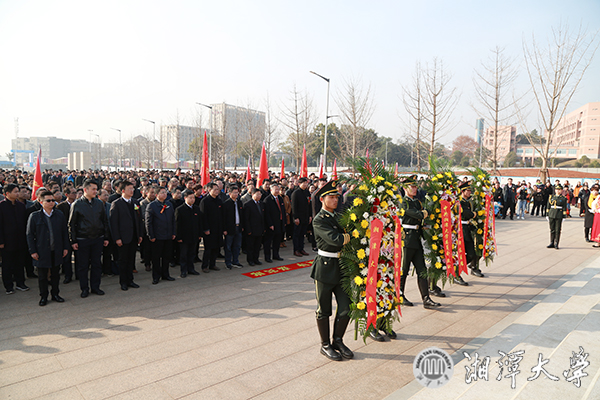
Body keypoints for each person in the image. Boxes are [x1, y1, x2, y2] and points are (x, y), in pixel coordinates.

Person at [310, 180, 353, 361]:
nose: (336, 200)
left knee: (346, 307)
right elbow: (335, 239)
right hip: (325, 268)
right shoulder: (319, 220)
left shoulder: (338, 216)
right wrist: (352, 235)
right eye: (331, 197)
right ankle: (325, 344)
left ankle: (338, 340)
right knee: (324, 309)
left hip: (341, 267)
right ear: (322, 199)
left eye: (337, 197)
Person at [399, 175, 441, 312]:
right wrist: (423, 213)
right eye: (412, 186)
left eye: (416, 186)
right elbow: (418, 215)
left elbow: (425, 212)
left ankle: (426, 298)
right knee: (403, 270)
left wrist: (423, 213)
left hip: (416, 238)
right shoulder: (403, 202)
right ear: (405, 188)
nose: (415, 188)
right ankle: (399, 294)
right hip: (406, 239)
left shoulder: (417, 201)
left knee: (422, 270)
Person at [26, 190, 70, 306]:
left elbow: (64, 232)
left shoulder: (59, 214)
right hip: (41, 251)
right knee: (42, 277)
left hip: (56, 249)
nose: (52, 203)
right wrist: (33, 251)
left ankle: (55, 294)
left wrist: (66, 247)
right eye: (48, 200)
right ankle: (43, 296)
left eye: (53, 200)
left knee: (56, 274)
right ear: (41, 202)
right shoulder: (35, 216)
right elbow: (29, 235)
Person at [68, 180, 109, 298]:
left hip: (97, 238)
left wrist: (105, 237)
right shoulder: (77, 204)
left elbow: (104, 221)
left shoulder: (99, 203)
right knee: (83, 266)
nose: (96, 191)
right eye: (93, 189)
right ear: (85, 190)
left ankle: (95, 287)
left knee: (96, 264)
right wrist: (73, 241)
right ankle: (84, 288)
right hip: (82, 239)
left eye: (96, 189)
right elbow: (71, 224)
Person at [110, 181, 143, 291]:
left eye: (133, 188)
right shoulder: (117, 204)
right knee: (123, 260)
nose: (132, 191)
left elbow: (139, 220)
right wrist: (117, 238)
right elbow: (113, 223)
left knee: (131, 260)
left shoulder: (135, 202)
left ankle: (130, 280)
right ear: (123, 190)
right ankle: (123, 282)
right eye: (129, 189)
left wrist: (140, 235)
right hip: (123, 237)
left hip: (133, 236)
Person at [0, 183, 30, 294]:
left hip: (20, 240)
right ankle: (8, 286)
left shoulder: (21, 206)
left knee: (20, 263)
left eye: (18, 191)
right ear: (7, 193)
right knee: (7, 264)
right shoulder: (1, 206)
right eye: (15, 192)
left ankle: (20, 283)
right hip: (7, 241)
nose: (18, 193)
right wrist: (1, 241)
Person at [145, 186, 176, 284]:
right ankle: (156, 276)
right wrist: (151, 235)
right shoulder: (152, 206)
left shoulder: (169, 204)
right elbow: (148, 223)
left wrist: (173, 232)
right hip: (157, 236)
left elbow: (173, 220)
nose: (164, 194)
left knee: (167, 257)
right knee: (156, 258)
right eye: (162, 193)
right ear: (157, 194)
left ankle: (165, 274)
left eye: (165, 192)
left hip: (168, 235)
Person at [175, 189, 202, 277]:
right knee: (183, 255)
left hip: (194, 236)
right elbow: (177, 225)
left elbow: (199, 223)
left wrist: (199, 234)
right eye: (190, 198)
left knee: (192, 254)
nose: (192, 200)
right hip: (184, 237)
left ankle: (191, 269)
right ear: (185, 198)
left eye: (193, 198)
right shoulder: (180, 209)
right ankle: (183, 270)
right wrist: (178, 237)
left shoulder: (196, 209)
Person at [200, 182, 225, 272]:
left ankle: (212, 264)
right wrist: (205, 229)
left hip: (218, 228)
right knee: (208, 248)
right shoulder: (205, 201)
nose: (217, 191)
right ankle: (205, 266)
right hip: (209, 229)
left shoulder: (219, 200)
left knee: (216, 247)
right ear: (209, 190)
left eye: (218, 189)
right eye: (215, 189)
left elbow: (222, 215)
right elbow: (203, 217)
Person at [57, 186, 77, 283]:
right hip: (65, 234)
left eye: (75, 193)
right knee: (67, 257)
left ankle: (78, 275)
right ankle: (68, 276)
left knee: (79, 257)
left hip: (77, 234)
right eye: (73, 193)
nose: (75, 194)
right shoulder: (60, 207)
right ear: (67, 195)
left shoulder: (79, 204)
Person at [223, 184, 244, 270]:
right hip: (229, 228)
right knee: (228, 247)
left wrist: (242, 226)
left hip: (238, 227)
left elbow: (242, 215)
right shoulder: (226, 204)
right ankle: (228, 262)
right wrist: (224, 229)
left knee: (237, 246)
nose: (236, 194)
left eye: (237, 193)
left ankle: (235, 261)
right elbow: (223, 218)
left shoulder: (239, 202)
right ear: (230, 193)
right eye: (234, 193)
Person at [263, 183, 285, 262]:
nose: (277, 191)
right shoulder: (267, 200)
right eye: (275, 189)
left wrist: (284, 222)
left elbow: (282, 211)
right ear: (271, 190)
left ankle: (276, 255)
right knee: (268, 242)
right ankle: (267, 257)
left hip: (279, 223)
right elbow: (267, 214)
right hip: (271, 224)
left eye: (278, 189)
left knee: (277, 241)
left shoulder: (280, 198)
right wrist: (270, 224)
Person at [243, 187, 265, 266]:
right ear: (252, 194)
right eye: (257, 194)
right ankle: (250, 260)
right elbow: (246, 219)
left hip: (260, 229)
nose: (259, 196)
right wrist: (248, 230)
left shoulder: (261, 204)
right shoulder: (248, 205)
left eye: (260, 194)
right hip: (251, 229)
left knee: (257, 246)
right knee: (250, 246)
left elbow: (263, 217)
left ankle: (256, 259)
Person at [291, 177, 311, 257]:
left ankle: (301, 248)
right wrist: (295, 217)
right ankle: (296, 250)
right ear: (299, 184)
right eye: (304, 183)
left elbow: (309, 205)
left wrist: (310, 216)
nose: (306, 184)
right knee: (297, 234)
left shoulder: (307, 192)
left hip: (305, 217)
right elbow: (294, 207)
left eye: (306, 183)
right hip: (298, 218)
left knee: (302, 234)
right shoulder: (296, 193)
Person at [547, 184, 567, 250]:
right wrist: (547, 214)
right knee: (552, 229)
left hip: (559, 214)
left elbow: (564, 207)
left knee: (557, 230)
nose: (557, 191)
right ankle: (552, 242)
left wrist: (564, 216)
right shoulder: (551, 197)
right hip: (552, 214)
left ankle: (556, 243)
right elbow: (548, 206)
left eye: (559, 190)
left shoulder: (563, 198)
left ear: (561, 190)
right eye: (556, 189)